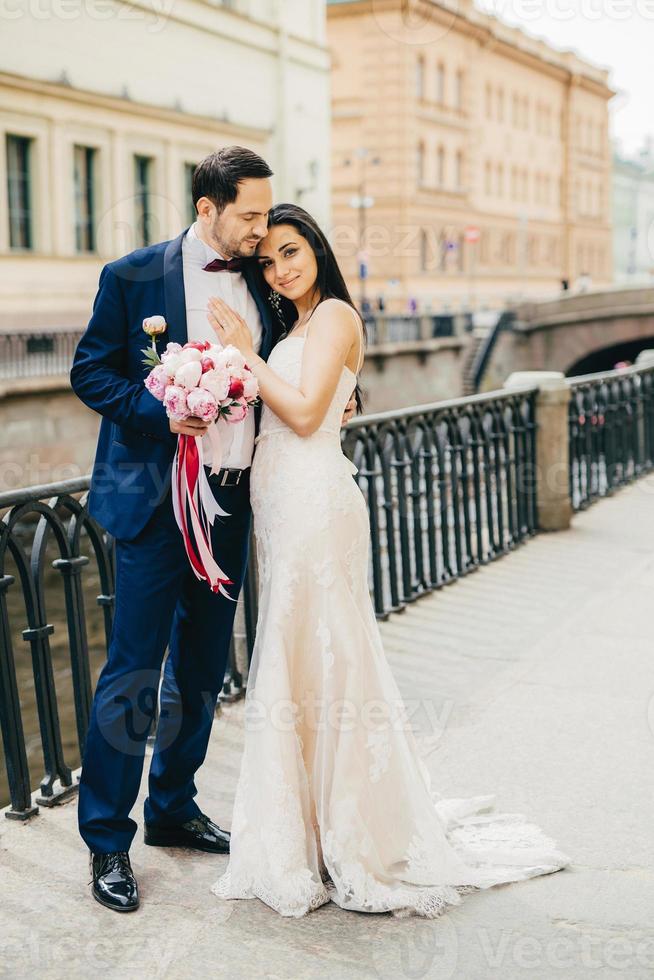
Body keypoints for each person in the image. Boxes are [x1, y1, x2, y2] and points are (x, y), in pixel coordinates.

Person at [206, 203, 570, 918]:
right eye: (269, 261)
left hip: (314, 501)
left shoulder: (336, 313)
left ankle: (350, 828)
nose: (281, 268)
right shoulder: (295, 325)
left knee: (326, 651)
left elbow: (308, 414)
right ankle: (304, 827)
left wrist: (247, 354)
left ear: (315, 248)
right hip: (281, 503)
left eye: (290, 252)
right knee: (294, 652)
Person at [70, 148, 356, 913]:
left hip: (232, 503)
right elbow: (92, 373)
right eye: (252, 216)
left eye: (269, 216)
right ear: (207, 209)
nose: (264, 233)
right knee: (132, 672)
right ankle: (106, 843)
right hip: (154, 506)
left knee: (200, 670)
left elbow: (303, 364)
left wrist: (341, 403)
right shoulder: (130, 276)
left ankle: (172, 808)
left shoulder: (264, 286)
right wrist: (159, 409)